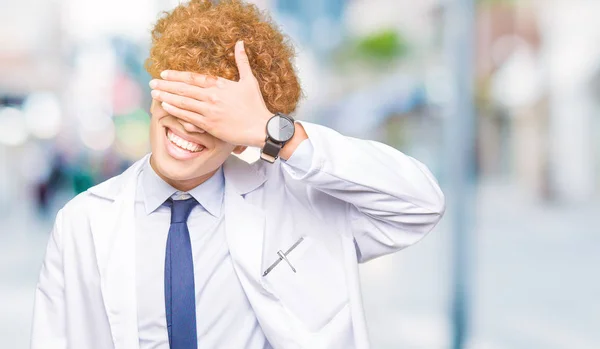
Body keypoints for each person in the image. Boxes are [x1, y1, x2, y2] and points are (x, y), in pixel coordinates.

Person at [31, 1, 445, 348]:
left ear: (242, 135)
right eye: (185, 99)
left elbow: (420, 204)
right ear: (156, 90)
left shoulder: (301, 203)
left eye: (216, 116)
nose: (192, 126)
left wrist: (277, 134)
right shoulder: (83, 223)